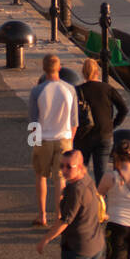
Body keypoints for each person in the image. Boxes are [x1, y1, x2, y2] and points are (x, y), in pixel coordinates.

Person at [27, 54, 78, 228]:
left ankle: (42, 215)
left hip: (43, 138)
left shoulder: (37, 91)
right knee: (60, 180)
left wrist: (33, 141)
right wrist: (70, 139)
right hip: (64, 138)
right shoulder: (70, 90)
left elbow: (33, 120)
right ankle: (59, 216)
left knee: (41, 176)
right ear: (59, 68)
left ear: (44, 68)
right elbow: (74, 121)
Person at [75, 58, 129, 188]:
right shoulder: (107, 88)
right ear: (97, 73)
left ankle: (83, 200)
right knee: (101, 172)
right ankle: (102, 203)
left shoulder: (77, 90)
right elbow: (124, 109)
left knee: (81, 172)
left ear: (83, 73)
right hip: (104, 134)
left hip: (83, 136)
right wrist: (113, 124)